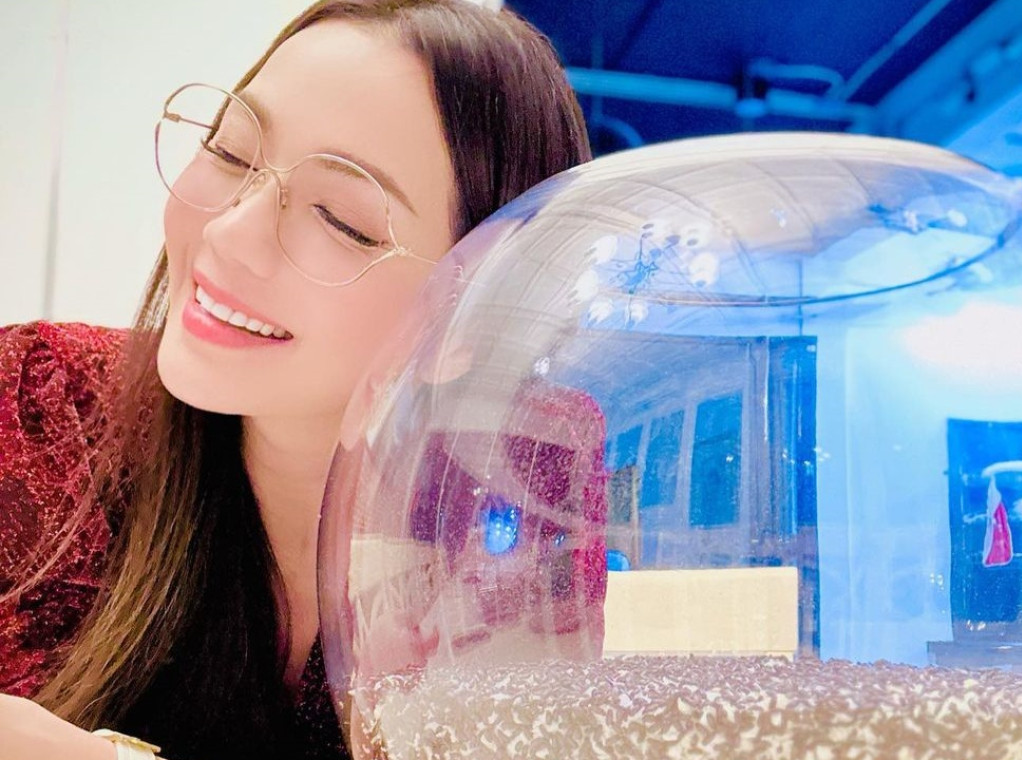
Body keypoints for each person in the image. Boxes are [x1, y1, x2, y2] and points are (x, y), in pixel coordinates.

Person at [0, 1, 591, 759]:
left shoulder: (524, 480)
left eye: (342, 220)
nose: (228, 232)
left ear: (477, 311)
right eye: (230, 151)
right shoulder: (44, 404)